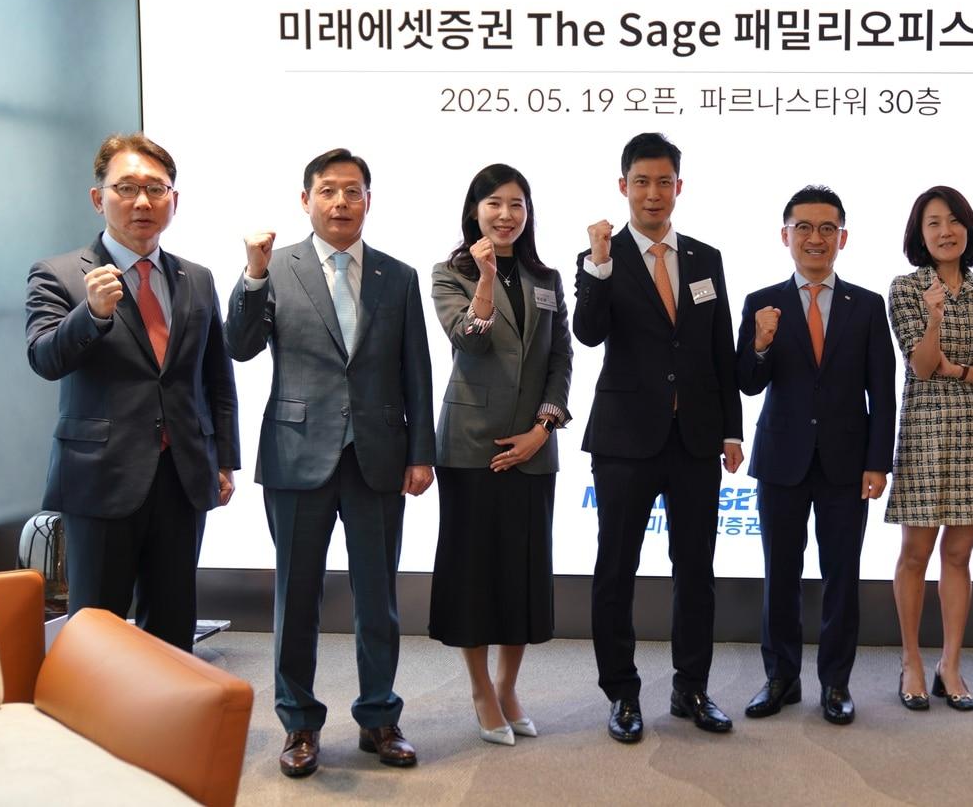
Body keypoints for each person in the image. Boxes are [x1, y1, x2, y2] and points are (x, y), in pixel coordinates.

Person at [224, 148, 436, 776]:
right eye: (327, 190)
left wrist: (421, 453)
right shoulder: (275, 267)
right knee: (297, 596)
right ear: (306, 200)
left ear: (369, 200)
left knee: (379, 597)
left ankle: (379, 717)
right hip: (297, 455)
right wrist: (252, 274)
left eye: (352, 191)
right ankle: (298, 723)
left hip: (378, 456)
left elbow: (416, 370)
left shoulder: (398, 275)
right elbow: (240, 345)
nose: (340, 202)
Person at [25, 133, 239, 652]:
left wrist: (224, 459)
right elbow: (44, 359)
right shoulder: (59, 274)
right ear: (98, 198)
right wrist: (92, 314)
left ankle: (168, 709)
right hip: (101, 478)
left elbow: (216, 378)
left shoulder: (196, 278)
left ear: (173, 200)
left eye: (156, 189)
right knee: (96, 633)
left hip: (183, 475)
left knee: (173, 628)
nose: (142, 201)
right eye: (126, 188)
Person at [575, 132, 743, 744]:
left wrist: (731, 429)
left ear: (679, 187)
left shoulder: (705, 257)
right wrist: (597, 264)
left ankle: (691, 688)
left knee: (696, 568)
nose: (653, 193)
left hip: (695, 438)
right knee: (616, 568)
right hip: (624, 439)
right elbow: (588, 332)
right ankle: (621, 693)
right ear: (623, 187)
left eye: (663, 182)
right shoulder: (601, 255)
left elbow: (720, 348)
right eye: (641, 182)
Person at [735, 185, 895, 725]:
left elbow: (883, 391)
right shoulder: (762, 302)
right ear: (785, 236)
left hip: (847, 464)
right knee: (779, 575)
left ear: (842, 238)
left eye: (827, 228)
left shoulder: (867, 306)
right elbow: (747, 382)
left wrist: (878, 462)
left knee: (841, 578)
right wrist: (760, 344)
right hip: (782, 458)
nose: (815, 238)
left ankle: (835, 683)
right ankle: (780, 678)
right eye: (803, 227)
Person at [429, 164, 573, 746]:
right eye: (494, 203)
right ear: (475, 211)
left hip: (533, 448)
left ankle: (509, 687)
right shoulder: (450, 273)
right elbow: (469, 339)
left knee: (522, 574)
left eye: (517, 204)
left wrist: (544, 427)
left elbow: (561, 358)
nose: (506, 214)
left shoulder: (547, 277)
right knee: (473, 575)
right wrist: (486, 277)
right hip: (471, 447)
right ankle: (480, 689)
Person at [887, 185, 973, 712]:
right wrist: (934, 318)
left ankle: (951, 664)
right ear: (920, 234)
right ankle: (911, 661)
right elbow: (920, 366)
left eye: (954, 220)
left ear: (968, 228)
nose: (946, 231)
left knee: (959, 555)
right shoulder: (906, 288)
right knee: (916, 554)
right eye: (934, 222)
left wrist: (959, 370)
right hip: (925, 428)